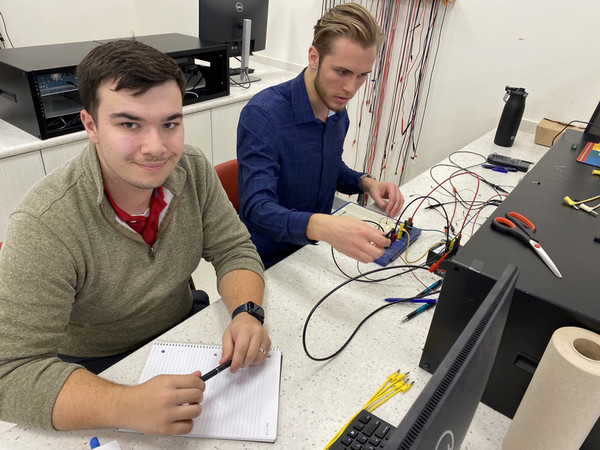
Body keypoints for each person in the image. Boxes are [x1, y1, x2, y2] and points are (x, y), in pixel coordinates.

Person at [0, 39, 271, 435]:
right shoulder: (45, 223)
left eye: (170, 123)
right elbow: (9, 374)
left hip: (182, 331)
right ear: (90, 125)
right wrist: (124, 405)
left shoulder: (192, 169)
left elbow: (233, 248)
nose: (156, 147)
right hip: (96, 366)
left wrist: (248, 311)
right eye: (129, 124)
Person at [237, 3, 405, 268]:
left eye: (362, 75)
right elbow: (256, 209)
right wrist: (323, 226)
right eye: (342, 72)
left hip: (317, 249)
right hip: (269, 260)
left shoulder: (337, 112)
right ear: (314, 57)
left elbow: (328, 167)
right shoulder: (264, 114)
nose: (351, 88)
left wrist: (366, 182)